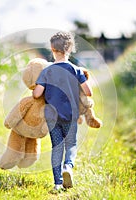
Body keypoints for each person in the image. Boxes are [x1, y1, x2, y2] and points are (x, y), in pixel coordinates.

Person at [33, 31, 92, 191]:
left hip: (52, 116)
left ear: (52, 48)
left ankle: (58, 184)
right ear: (70, 49)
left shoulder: (47, 71)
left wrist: (37, 90)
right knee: (71, 144)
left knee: (57, 147)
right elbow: (88, 92)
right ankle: (68, 166)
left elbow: (37, 93)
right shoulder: (75, 70)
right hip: (71, 115)